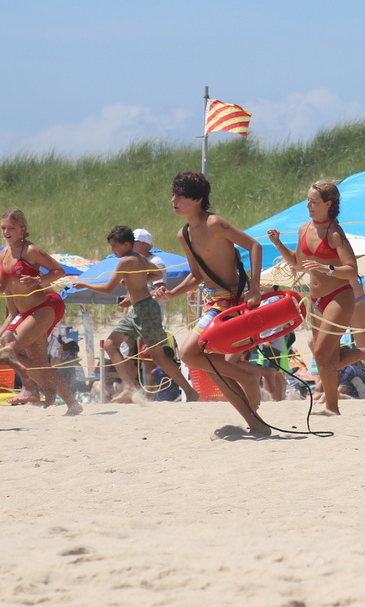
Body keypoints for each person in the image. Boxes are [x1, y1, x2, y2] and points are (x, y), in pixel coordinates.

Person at [269, 180, 365, 415]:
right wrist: (278, 245)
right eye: (307, 200)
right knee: (331, 358)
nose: (308, 205)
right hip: (316, 300)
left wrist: (326, 268)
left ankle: (332, 407)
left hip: (339, 296)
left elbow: (351, 269)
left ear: (329, 204)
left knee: (321, 354)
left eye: (314, 201)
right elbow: (297, 263)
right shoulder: (303, 229)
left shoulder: (335, 233)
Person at [153, 171, 268, 436]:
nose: (174, 200)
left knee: (189, 353)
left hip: (229, 303)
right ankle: (256, 423)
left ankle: (248, 376)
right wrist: (172, 294)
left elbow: (254, 246)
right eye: (173, 195)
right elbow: (197, 274)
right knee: (214, 368)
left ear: (197, 199)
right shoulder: (184, 234)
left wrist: (254, 288)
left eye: (180, 196)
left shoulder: (214, 223)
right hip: (212, 304)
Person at [72, 225, 196, 403]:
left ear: (126, 244)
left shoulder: (126, 261)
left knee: (158, 355)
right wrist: (135, 279)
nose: (113, 250)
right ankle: (129, 387)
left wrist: (85, 285)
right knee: (110, 345)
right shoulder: (139, 258)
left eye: (115, 246)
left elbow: (108, 288)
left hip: (146, 310)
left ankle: (189, 391)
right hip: (137, 310)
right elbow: (156, 273)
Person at [0, 209, 81, 414]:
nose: (6, 231)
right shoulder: (3, 254)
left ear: (23, 229)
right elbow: (4, 289)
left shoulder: (31, 251)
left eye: (11, 228)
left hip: (42, 308)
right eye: (3, 228)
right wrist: (5, 328)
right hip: (25, 313)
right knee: (39, 363)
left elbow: (59, 271)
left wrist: (38, 280)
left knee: (10, 351)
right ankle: (72, 403)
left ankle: (40, 388)